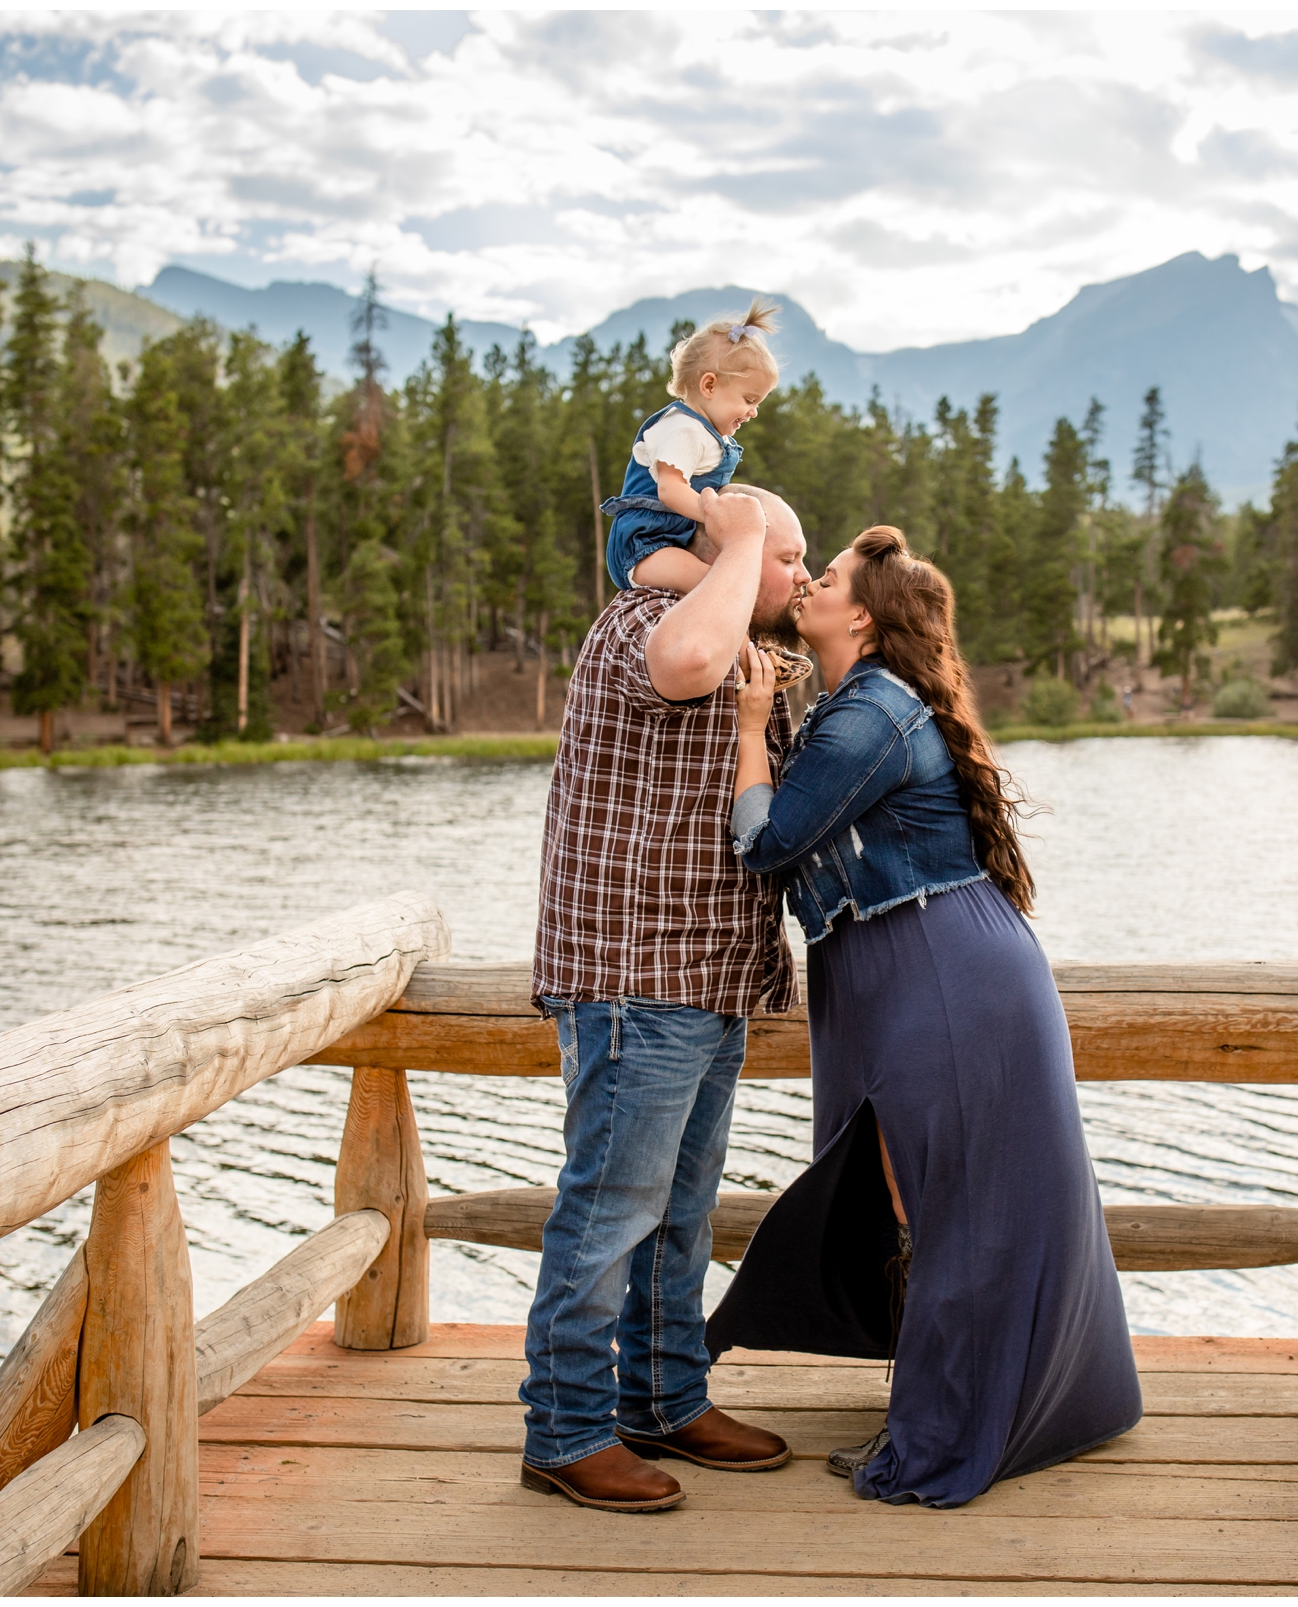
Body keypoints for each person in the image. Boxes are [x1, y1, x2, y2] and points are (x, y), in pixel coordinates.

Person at [706, 525, 1141, 1508]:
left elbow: (769, 841)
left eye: (826, 578)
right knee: (917, 1202)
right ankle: (974, 1401)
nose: (808, 585)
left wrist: (745, 728)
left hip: (936, 971)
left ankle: (949, 1429)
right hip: (907, 963)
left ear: (860, 614)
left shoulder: (869, 716)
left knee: (954, 1207)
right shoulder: (854, 705)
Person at [520, 484, 813, 1513]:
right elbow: (688, 661)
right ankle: (565, 1428)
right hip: (637, 974)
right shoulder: (648, 624)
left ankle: (663, 1399)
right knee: (608, 1212)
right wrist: (739, 535)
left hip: (709, 976)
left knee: (680, 1215)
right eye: (789, 557)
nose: (801, 577)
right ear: (727, 546)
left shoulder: (743, 646)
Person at [599, 299, 781, 596]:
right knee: (714, 584)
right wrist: (718, 515)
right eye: (749, 400)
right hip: (644, 545)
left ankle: (742, 638)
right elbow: (670, 490)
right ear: (708, 386)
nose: (754, 412)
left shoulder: (706, 433)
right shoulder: (684, 430)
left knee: (726, 579)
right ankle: (740, 641)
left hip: (671, 539)